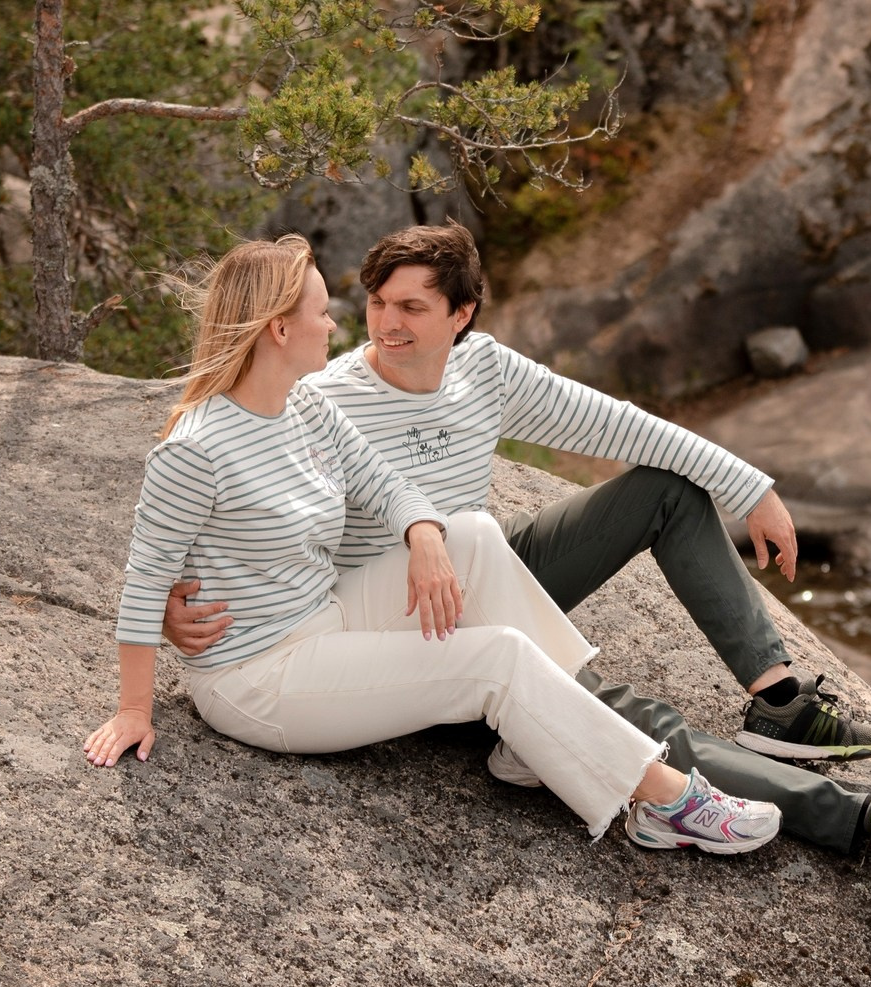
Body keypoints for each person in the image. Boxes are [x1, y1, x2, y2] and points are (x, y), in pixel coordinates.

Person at [162, 222, 871, 873]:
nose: (383, 324)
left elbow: (619, 424)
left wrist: (747, 485)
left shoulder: (485, 372)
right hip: (399, 627)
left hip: (473, 566)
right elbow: (222, 491)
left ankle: (780, 702)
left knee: (665, 489)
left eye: (411, 307)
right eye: (375, 303)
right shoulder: (323, 399)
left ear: (462, 316)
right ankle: (864, 820)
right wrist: (174, 603)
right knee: (623, 713)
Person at [83, 234, 783, 858]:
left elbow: (388, 484)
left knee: (470, 534)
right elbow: (145, 580)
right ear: (277, 329)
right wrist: (136, 708)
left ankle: (531, 741)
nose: (339, 324)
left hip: (324, 617)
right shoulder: (197, 448)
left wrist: (423, 535)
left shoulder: (304, 406)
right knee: (498, 658)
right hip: (259, 678)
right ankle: (661, 799)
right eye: (323, 311)